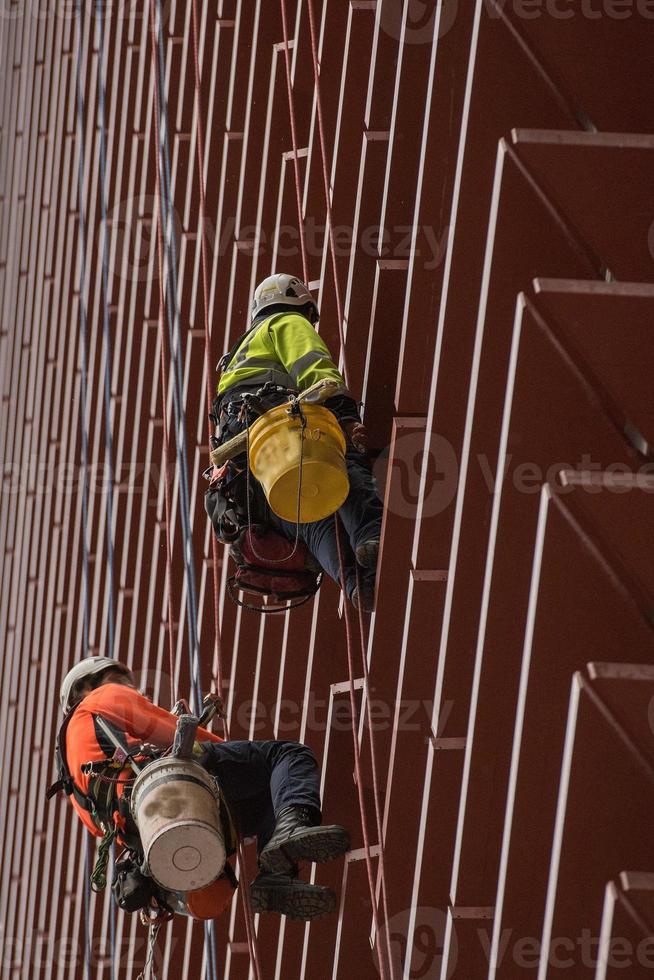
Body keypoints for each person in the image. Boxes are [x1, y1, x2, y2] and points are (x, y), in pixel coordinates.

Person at [49, 657, 350, 920]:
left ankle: (276, 877)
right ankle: (289, 832)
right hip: (170, 786)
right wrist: (233, 752)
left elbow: (113, 829)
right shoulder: (96, 701)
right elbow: (164, 728)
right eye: (119, 681)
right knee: (285, 757)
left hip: (154, 818)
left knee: (268, 794)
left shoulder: (76, 786)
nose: (130, 690)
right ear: (85, 689)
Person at [206, 273, 383, 610]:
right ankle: (370, 537)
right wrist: (346, 419)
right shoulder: (284, 322)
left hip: (256, 482)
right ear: (298, 303)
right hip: (283, 439)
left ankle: (358, 585)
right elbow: (317, 374)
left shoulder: (232, 363)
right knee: (339, 464)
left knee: (315, 522)